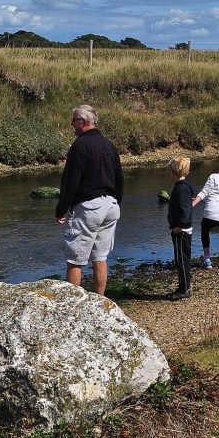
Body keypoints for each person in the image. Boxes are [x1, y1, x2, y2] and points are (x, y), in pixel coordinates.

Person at [55, 104, 124, 296]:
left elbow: (70, 181)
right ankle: (100, 302)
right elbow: (119, 179)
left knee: (75, 258)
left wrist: (61, 209)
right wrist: (117, 203)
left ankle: (73, 305)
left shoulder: (79, 146)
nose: (72, 125)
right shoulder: (110, 145)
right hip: (111, 206)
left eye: (74, 121)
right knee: (100, 257)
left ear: (84, 122)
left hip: (89, 207)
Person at [166, 157, 195, 300]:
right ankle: (183, 286)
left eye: (170, 172)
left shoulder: (182, 188)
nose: (169, 174)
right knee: (181, 259)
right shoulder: (183, 187)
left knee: (181, 260)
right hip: (181, 228)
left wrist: (179, 227)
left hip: (182, 231)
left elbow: (185, 210)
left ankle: (185, 289)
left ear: (174, 172)